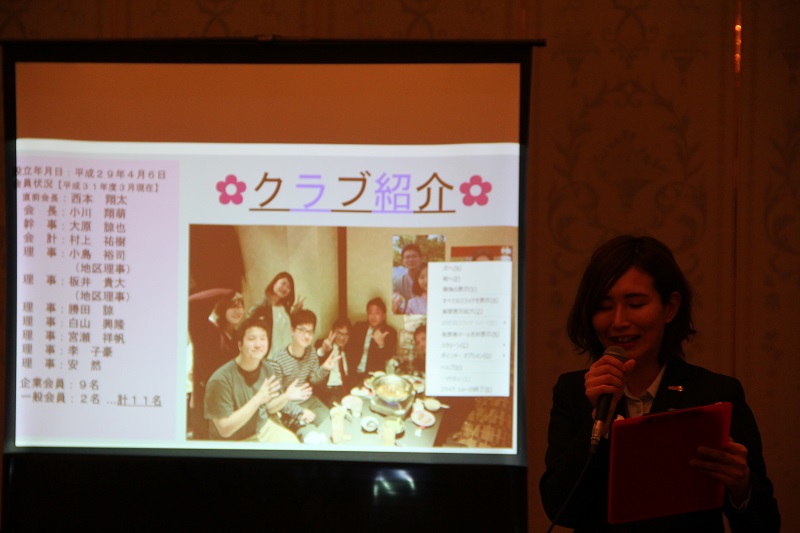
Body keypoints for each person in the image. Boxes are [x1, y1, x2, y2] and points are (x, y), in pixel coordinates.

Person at [539, 235, 780, 531]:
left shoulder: (714, 393)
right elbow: (560, 509)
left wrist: (741, 485)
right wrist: (599, 420)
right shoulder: (574, 391)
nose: (618, 321)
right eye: (603, 306)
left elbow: (766, 525)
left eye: (635, 304)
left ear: (670, 307)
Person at [204, 316, 309, 443]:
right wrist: (258, 399)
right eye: (252, 339)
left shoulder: (268, 369)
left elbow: (269, 408)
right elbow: (224, 429)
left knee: (292, 443)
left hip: (262, 429)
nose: (258, 344)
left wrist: (286, 396)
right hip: (234, 441)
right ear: (240, 344)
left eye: (263, 338)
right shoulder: (220, 380)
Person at [272, 309, 340, 440]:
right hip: (289, 408)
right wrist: (299, 412)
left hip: (311, 401)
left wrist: (325, 368)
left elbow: (313, 380)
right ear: (292, 330)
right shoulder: (278, 361)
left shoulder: (311, 352)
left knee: (334, 426)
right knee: (313, 438)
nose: (306, 335)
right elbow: (278, 399)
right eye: (302, 330)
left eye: (310, 331)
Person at [187, 288, 244, 439]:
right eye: (232, 306)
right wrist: (226, 293)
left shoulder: (237, 336)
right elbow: (191, 304)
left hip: (227, 403)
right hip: (205, 403)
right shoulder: (206, 330)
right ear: (223, 308)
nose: (237, 310)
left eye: (240, 306)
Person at [248, 272, 304, 360]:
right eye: (283, 284)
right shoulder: (263, 304)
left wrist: (295, 312)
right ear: (274, 283)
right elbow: (248, 321)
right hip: (269, 356)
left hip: (286, 354)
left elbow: (284, 326)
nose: (285, 288)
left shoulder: (285, 306)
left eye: (289, 287)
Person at [346, 297, 398, 383]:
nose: (373, 316)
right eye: (370, 312)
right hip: (354, 374)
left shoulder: (390, 333)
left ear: (383, 316)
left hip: (373, 377)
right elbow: (348, 348)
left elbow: (388, 359)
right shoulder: (359, 327)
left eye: (377, 313)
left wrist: (381, 344)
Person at [315, 317, 352, 405]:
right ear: (332, 333)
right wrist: (323, 350)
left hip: (346, 390)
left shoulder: (351, 350)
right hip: (329, 391)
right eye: (339, 333)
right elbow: (316, 357)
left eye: (346, 334)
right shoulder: (323, 345)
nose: (342, 337)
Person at [392, 243, 423, 313]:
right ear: (403, 261)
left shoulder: (428, 281)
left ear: (421, 258)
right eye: (407, 257)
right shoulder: (397, 283)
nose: (411, 260)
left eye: (414, 256)